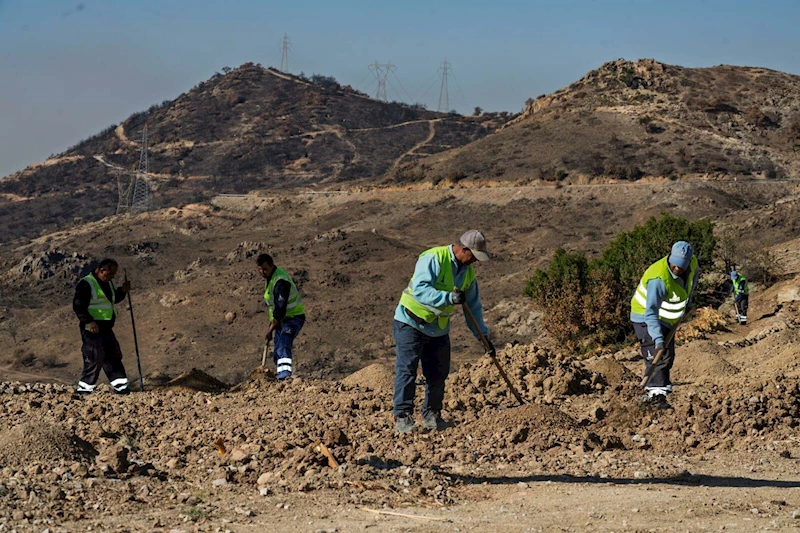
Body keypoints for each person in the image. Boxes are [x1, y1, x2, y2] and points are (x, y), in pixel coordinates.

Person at [393, 230, 495, 433]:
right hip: (410, 322)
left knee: (438, 373)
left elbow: (473, 307)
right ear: (463, 249)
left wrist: (482, 336)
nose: (474, 261)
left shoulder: (468, 273)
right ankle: (403, 417)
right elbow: (421, 290)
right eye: (473, 256)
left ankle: (432, 415)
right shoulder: (433, 258)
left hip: (438, 329)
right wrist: (448, 298)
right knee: (407, 370)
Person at [630, 241, 699, 410]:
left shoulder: (693, 262)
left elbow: (694, 276)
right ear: (670, 257)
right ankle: (655, 398)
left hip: (667, 318)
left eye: (681, 267)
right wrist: (658, 338)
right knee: (656, 355)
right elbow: (650, 312)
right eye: (674, 265)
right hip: (645, 318)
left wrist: (688, 299)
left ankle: (660, 391)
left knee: (667, 356)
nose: (676, 269)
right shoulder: (659, 279)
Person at [73, 258, 131, 395]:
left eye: (114, 275)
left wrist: (122, 290)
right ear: (101, 270)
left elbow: (112, 299)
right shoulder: (87, 284)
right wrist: (88, 321)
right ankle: (84, 390)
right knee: (94, 356)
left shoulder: (107, 283)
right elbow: (78, 306)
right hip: (92, 327)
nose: (112, 277)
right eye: (110, 274)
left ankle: (121, 388)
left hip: (106, 327)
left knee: (113, 355)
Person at [257, 253, 305, 380]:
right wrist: (271, 326)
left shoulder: (280, 281)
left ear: (272, 265)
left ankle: (284, 378)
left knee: (283, 343)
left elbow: (280, 308)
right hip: (281, 320)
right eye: (260, 269)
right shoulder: (270, 278)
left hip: (293, 317)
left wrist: (271, 328)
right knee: (277, 349)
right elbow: (274, 308)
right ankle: (280, 376)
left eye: (265, 269)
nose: (262, 272)